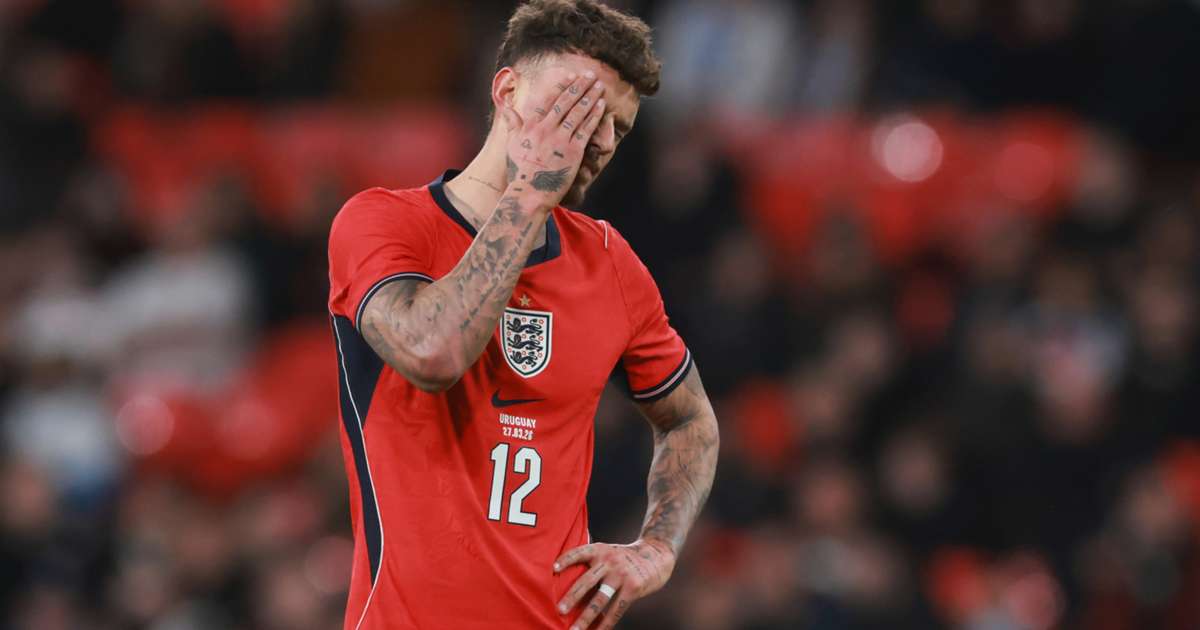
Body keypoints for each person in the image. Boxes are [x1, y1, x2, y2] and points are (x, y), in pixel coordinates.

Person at [325, 1, 719, 628]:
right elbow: (434, 351)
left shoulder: (613, 265)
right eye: (578, 107)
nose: (601, 139)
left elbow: (690, 420)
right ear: (508, 90)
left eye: (617, 124)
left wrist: (657, 548)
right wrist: (532, 194)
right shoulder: (384, 223)